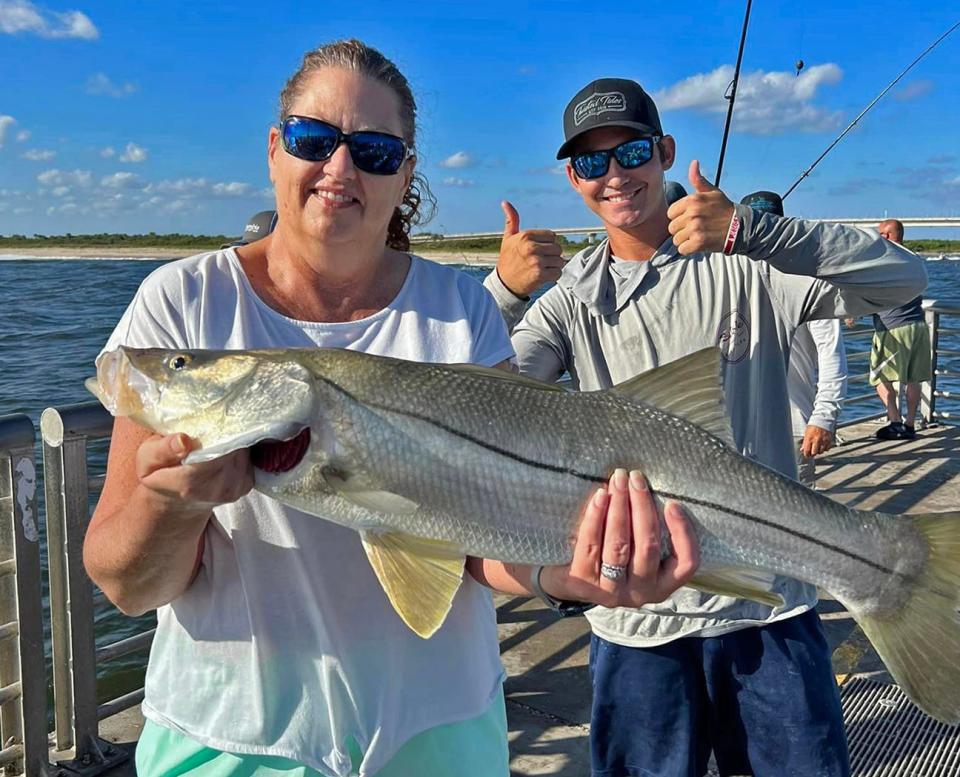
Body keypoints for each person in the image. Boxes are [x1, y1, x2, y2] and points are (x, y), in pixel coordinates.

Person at [82, 43, 699, 777]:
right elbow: (125, 584)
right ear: (276, 150)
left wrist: (566, 577)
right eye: (315, 140)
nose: (340, 169)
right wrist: (170, 506)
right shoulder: (182, 301)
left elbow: (474, 540)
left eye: (374, 151)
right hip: (230, 738)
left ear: (405, 173)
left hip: (441, 728)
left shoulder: (459, 306)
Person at [485, 77, 926, 776]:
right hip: (636, 624)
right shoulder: (570, 301)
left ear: (663, 152)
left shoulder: (750, 265)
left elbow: (904, 283)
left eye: (630, 151)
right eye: (592, 163)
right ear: (573, 179)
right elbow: (480, 397)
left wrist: (759, 233)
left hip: (769, 610)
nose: (615, 175)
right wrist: (503, 294)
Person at [741, 191, 847, 488]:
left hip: (793, 426)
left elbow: (831, 351)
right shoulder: (730, 277)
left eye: (768, 227)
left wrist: (824, 417)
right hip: (735, 429)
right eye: (754, 227)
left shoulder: (809, 279)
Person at [868, 219, 932, 440]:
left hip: (892, 327)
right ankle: (910, 424)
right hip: (919, 326)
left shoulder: (881, 261)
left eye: (884, 234)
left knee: (880, 376)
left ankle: (894, 421)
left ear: (891, 235)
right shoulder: (913, 259)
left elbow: (868, 290)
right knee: (914, 379)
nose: (880, 237)